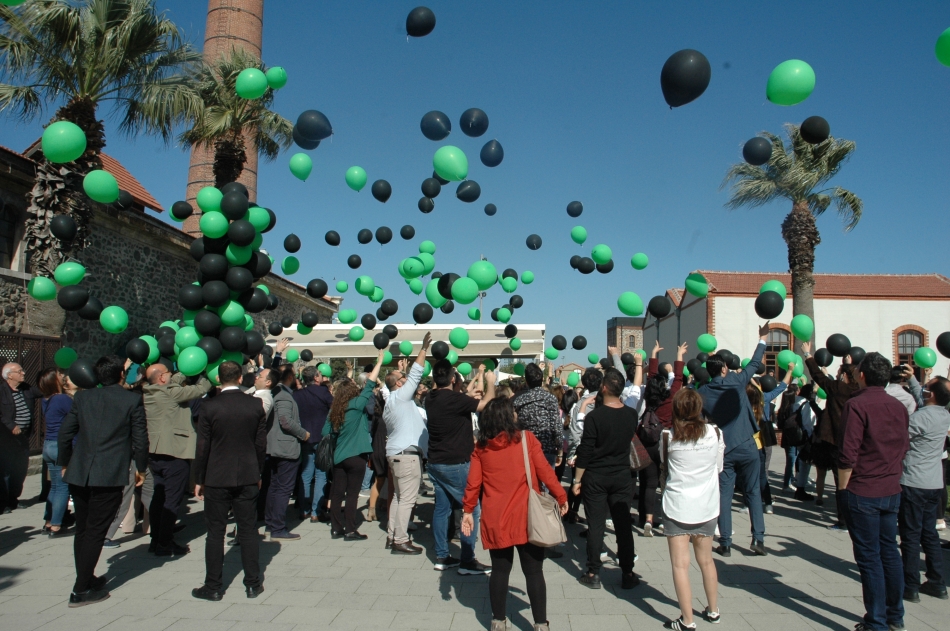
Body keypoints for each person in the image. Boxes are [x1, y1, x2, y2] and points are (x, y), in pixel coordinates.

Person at [462, 398, 567, 631]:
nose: (517, 414)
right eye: (513, 411)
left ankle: (498, 621)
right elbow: (545, 472)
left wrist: (468, 510)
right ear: (507, 417)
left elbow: (473, 483)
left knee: (499, 571)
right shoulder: (526, 440)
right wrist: (561, 496)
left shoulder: (481, 447)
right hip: (527, 516)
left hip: (496, 516)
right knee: (534, 572)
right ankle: (541, 623)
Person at [57, 356, 147, 607]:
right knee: (96, 531)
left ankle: (85, 576)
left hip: (80, 470)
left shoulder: (84, 397)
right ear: (120, 375)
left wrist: (65, 463)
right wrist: (141, 467)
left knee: (83, 529)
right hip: (108, 473)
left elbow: (65, 434)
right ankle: (80, 589)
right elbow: (140, 438)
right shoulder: (131, 399)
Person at [838, 352, 910, 631]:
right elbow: (904, 444)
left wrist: (843, 490)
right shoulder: (898, 406)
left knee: (870, 559)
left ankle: (877, 620)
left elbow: (847, 453)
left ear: (863, 375)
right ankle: (895, 615)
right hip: (891, 487)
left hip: (864, 488)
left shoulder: (857, 405)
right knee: (889, 552)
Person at [192, 361, 268, 601]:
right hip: (247, 473)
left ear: (218, 379)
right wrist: (258, 473)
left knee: (215, 532)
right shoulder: (255, 405)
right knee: (247, 530)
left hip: (217, 474)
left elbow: (202, 445)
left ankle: (213, 585)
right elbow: (260, 444)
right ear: (239, 378)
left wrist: (199, 477)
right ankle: (253, 583)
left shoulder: (209, 406)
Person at [698, 322, 771, 557]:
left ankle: (726, 542)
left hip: (724, 449)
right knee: (752, 493)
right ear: (723, 369)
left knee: (724, 496)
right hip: (748, 446)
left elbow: (700, 419)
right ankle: (758, 539)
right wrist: (762, 339)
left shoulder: (703, 392)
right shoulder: (737, 382)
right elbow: (755, 363)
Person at [659, 388, 726, 630]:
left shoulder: (668, 435)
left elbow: (664, 466)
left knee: (680, 565)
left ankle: (687, 620)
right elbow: (718, 467)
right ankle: (714, 609)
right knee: (706, 561)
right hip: (706, 505)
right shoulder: (715, 433)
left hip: (677, 505)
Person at [425, 358, 496, 573]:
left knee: (442, 510)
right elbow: (486, 404)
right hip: (456, 463)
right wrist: (490, 382)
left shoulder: (430, 398)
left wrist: (470, 392)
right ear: (453, 378)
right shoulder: (455, 400)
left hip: (436, 462)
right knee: (471, 509)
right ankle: (467, 559)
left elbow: (458, 401)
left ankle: (441, 556)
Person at [572, 368, 639, 590]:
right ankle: (627, 572)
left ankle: (593, 572)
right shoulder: (631, 414)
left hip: (596, 475)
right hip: (622, 475)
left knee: (596, 524)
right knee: (622, 525)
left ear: (603, 388)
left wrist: (577, 480)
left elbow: (586, 450)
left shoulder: (594, 417)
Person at [142, 364, 212, 556]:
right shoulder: (171, 393)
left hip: (156, 452)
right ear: (163, 378)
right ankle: (165, 543)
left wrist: (187, 369)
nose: (173, 376)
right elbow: (201, 389)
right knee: (172, 500)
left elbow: (174, 382)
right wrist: (206, 373)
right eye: (169, 373)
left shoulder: (149, 391)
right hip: (174, 453)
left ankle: (156, 539)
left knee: (159, 497)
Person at [898, 374, 950, 602]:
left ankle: (910, 585)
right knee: (929, 534)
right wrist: (912, 378)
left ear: (932, 394)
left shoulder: (919, 419)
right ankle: (937, 582)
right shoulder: (944, 414)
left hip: (914, 481)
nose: (923, 390)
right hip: (934, 482)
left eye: (927, 387)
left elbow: (899, 438)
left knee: (910, 535)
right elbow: (925, 397)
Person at [322, 349, 384, 540]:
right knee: (352, 495)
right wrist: (379, 361)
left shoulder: (334, 411)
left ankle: (335, 528)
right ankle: (350, 529)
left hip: (339, 457)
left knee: (337, 493)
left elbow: (325, 433)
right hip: (357, 456)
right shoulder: (357, 405)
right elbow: (370, 384)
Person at [803, 341, 862, 529]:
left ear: (844, 375)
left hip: (838, 441)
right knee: (856, 481)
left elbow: (819, 377)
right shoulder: (859, 392)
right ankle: (857, 517)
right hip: (858, 441)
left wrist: (808, 355)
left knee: (841, 483)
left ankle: (843, 520)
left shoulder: (838, 389)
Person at [384, 332, 432, 554]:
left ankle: (392, 534)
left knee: (398, 497)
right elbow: (415, 374)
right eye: (401, 377)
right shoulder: (402, 396)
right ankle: (401, 540)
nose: (405, 378)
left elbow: (406, 377)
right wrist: (423, 349)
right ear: (399, 384)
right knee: (407, 500)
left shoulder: (390, 401)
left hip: (395, 453)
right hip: (406, 456)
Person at [266, 368, 310, 540]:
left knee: (275, 487)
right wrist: (303, 433)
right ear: (290, 377)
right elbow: (285, 421)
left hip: (277, 447)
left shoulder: (277, 393)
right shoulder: (283, 395)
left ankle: (272, 523)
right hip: (284, 448)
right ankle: (277, 527)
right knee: (282, 488)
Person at [294, 365, 333, 523]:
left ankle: (304, 509)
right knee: (321, 474)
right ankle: (315, 511)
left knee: (306, 473)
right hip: (321, 437)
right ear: (316, 378)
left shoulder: (297, 395)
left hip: (304, 436)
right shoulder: (323, 392)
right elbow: (334, 406)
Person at [0, 362, 41, 512]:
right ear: (9, 375)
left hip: (23, 437)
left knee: (20, 469)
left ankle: (13, 499)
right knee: (5, 470)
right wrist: (11, 425)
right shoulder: (2, 391)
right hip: (6, 438)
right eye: (20, 371)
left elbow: (42, 391)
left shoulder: (26, 389)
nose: (23, 373)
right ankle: (3, 502)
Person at [38, 368, 72, 536]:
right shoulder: (62, 399)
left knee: (55, 486)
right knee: (62, 487)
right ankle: (57, 524)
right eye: (60, 375)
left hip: (48, 445)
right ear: (54, 380)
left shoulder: (47, 400)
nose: (63, 376)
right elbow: (75, 414)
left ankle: (49, 520)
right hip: (60, 446)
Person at [512, 363, 562, 468]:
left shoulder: (519, 401)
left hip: (527, 448)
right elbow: (556, 426)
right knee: (547, 481)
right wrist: (560, 449)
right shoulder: (550, 399)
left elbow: (515, 426)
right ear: (542, 379)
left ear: (526, 381)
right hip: (547, 448)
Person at [776, 383, 800, 491]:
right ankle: (787, 483)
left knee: (790, 459)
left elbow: (780, 425)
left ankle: (790, 480)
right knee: (791, 460)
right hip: (793, 437)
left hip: (786, 437)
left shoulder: (782, 411)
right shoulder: (792, 411)